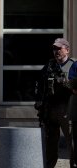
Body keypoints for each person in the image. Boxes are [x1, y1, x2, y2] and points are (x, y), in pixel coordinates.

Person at [35, 38, 77, 168]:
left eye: (59, 48)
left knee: (73, 143)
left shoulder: (74, 65)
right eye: (54, 48)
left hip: (67, 110)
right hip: (50, 110)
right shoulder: (49, 65)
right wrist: (39, 102)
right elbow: (40, 85)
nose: (56, 51)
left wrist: (66, 82)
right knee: (50, 144)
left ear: (67, 50)